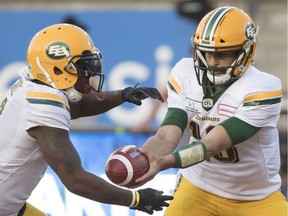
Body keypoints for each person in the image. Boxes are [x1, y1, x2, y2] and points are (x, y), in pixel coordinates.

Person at [0, 23, 173, 216]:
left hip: (10, 205)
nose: (89, 73)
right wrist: (136, 199)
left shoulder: (35, 84)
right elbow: (75, 179)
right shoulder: (43, 104)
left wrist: (123, 95)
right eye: (82, 65)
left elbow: (79, 106)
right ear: (57, 69)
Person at [134, 6, 287, 216]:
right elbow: (168, 132)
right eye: (206, 53)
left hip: (256, 198)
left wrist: (164, 162)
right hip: (198, 188)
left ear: (246, 51)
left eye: (223, 54)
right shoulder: (184, 72)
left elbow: (214, 143)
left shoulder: (263, 87)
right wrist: (147, 156)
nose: (212, 62)